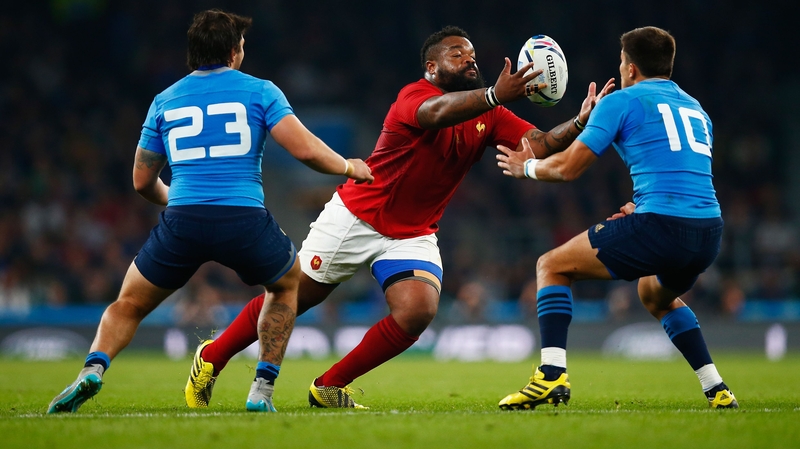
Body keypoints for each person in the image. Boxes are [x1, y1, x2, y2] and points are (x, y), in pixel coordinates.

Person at [184, 25, 614, 410]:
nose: (470, 60)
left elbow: (538, 143)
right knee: (296, 296)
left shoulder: (488, 113)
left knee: (418, 310)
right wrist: (495, 94)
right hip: (358, 214)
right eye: (457, 54)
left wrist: (579, 121)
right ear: (431, 67)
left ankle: (329, 386)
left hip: (413, 232)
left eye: (472, 55)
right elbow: (436, 115)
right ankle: (213, 356)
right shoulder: (415, 97)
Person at [47, 9, 373, 414]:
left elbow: (141, 181)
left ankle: (93, 369)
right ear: (235, 51)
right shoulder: (261, 91)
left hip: (182, 220)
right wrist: (348, 167)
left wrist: (181, 199)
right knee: (287, 285)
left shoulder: (164, 100)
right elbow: (305, 150)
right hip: (243, 220)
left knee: (127, 304)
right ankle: (261, 390)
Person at [495, 26, 737, 410]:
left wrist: (527, 167)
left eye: (622, 61)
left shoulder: (622, 101)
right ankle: (716, 388)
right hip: (708, 232)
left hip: (660, 226)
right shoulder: (696, 108)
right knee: (654, 294)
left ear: (630, 68)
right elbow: (678, 170)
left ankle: (550, 377)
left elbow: (570, 168)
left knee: (552, 266)